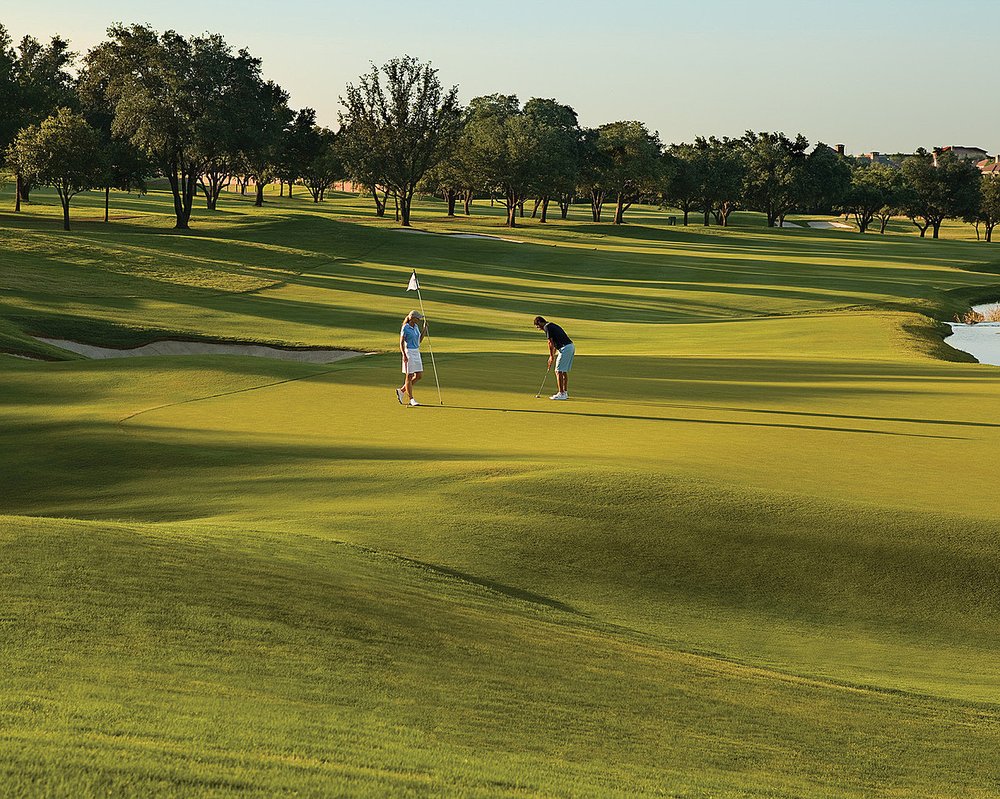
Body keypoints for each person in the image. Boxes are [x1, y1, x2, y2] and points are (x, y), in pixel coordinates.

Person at [533, 316, 574, 400]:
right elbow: (555, 344)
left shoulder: (547, 327)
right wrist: (552, 356)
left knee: (558, 371)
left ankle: (561, 393)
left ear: (540, 322)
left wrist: (551, 356)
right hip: (570, 347)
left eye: (537, 326)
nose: (538, 328)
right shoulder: (551, 325)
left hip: (565, 348)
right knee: (563, 371)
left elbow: (550, 343)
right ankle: (564, 392)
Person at [397, 310, 426, 407]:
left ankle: (401, 391)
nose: (419, 320)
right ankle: (411, 399)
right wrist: (404, 355)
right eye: (418, 318)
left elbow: (419, 341)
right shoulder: (405, 328)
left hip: (416, 352)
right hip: (408, 352)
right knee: (409, 376)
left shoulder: (416, 327)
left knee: (419, 375)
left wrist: (424, 330)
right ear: (413, 318)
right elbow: (401, 343)